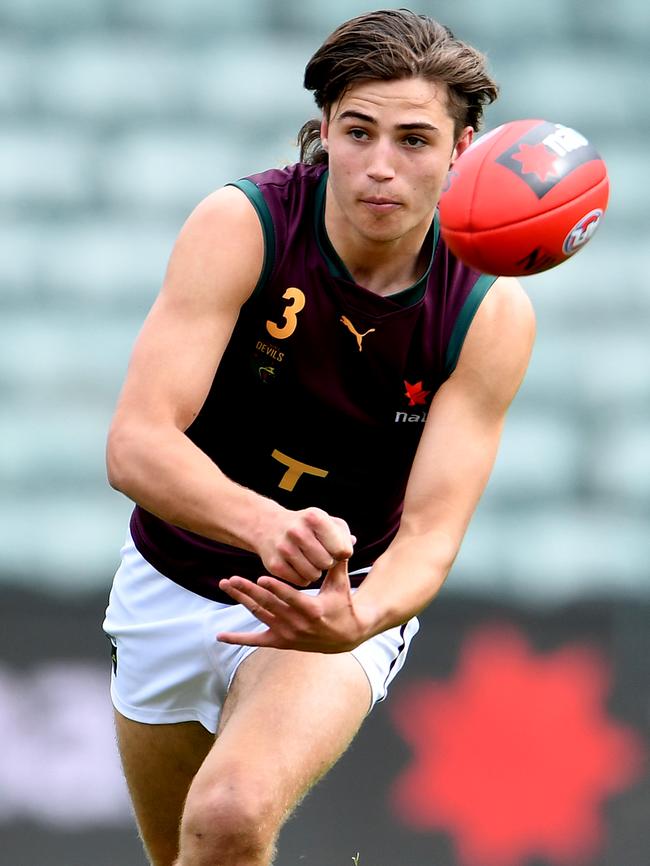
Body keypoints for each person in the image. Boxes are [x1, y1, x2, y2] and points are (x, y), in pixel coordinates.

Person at [103, 8, 535, 866]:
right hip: (174, 579)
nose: (381, 166)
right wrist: (269, 526)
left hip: (333, 608)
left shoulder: (487, 310)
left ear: (462, 148)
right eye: (358, 131)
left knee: (227, 818)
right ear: (325, 132)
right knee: (187, 856)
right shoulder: (245, 224)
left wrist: (358, 617)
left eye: (414, 139)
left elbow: (432, 535)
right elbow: (137, 446)